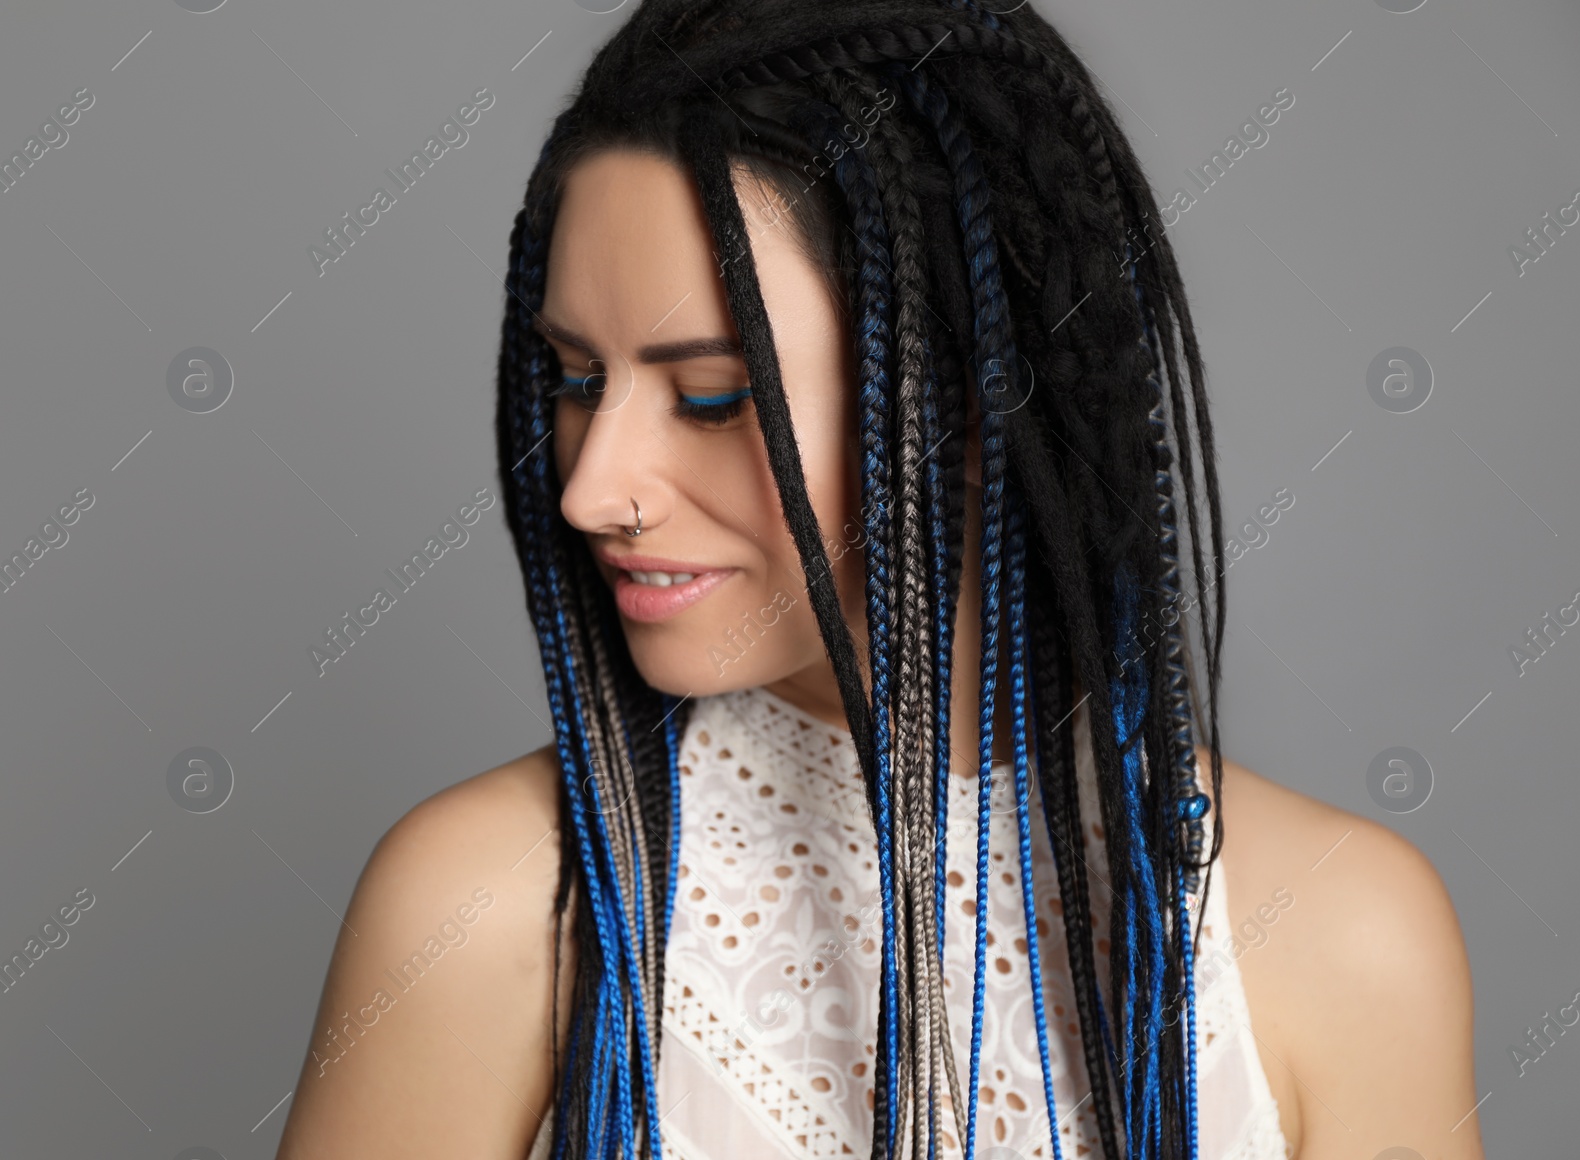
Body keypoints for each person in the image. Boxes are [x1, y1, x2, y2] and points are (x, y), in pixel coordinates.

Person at [275, 2, 1483, 1158]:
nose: (593, 487)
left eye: (710, 395)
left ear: (971, 392)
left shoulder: (1341, 935)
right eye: (579, 379)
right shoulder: (486, 910)